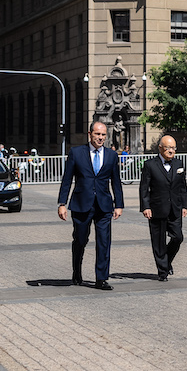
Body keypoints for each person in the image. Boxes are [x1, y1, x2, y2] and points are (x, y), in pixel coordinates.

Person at [57, 121, 124, 290]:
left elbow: (116, 182)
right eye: (97, 134)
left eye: (103, 135)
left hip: (104, 206)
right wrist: (62, 203)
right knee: (80, 239)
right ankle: (76, 271)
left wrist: (119, 204)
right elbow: (67, 179)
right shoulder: (77, 153)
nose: (100, 138)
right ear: (90, 134)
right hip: (81, 204)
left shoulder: (111, 155)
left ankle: (101, 278)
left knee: (104, 242)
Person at [138, 135, 187, 281]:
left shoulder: (179, 164)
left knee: (178, 237)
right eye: (168, 148)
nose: (171, 151)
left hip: (175, 208)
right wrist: (145, 207)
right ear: (160, 148)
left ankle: (166, 261)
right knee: (158, 242)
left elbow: (183, 187)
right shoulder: (150, 165)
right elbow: (144, 188)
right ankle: (162, 272)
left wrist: (184, 205)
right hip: (157, 208)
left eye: (173, 148)